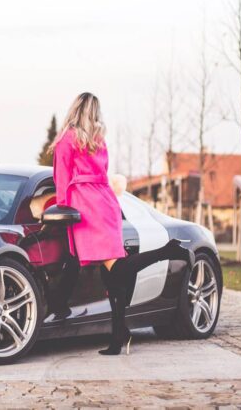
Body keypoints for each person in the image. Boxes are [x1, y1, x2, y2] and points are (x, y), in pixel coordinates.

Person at [50, 92, 192, 355]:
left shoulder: (66, 140)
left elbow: (61, 179)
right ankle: (119, 335)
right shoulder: (98, 140)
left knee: (116, 270)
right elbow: (103, 175)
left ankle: (169, 251)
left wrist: (62, 208)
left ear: (74, 110)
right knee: (113, 277)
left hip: (86, 206)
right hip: (106, 202)